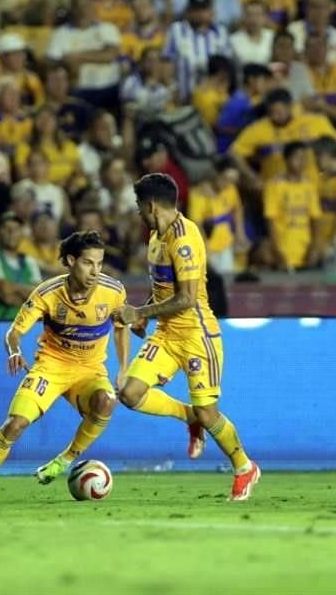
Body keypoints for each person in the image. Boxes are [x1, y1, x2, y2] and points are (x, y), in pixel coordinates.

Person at [111, 174, 260, 501]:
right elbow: (165, 290)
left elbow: (188, 298)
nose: (138, 213)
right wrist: (146, 313)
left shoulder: (185, 237)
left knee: (210, 413)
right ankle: (189, 416)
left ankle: (244, 466)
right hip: (166, 334)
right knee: (129, 392)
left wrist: (140, 314)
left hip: (196, 335)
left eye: (139, 207)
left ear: (151, 205)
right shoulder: (155, 237)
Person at [0, 231, 129, 503]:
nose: (95, 271)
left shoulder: (113, 290)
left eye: (99, 264)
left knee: (106, 401)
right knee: (15, 425)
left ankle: (65, 460)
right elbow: (14, 333)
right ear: (71, 261)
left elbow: (121, 328)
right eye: (88, 263)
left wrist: (123, 368)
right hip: (51, 367)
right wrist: (15, 351)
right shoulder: (47, 293)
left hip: (90, 370)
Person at [0, 211, 42, 320]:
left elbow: (40, 297)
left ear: (22, 234)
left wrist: (13, 287)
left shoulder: (29, 261)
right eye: (6, 228)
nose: (11, 232)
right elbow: (5, 294)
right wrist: (28, 292)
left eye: (16, 229)